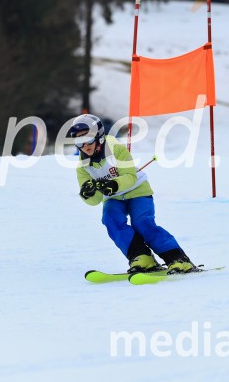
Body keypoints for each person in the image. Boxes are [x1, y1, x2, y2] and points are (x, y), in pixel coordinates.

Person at [67, 114, 197, 274]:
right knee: (110, 219)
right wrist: (88, 193)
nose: (85, 145)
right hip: (113, 198)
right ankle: (142, 257)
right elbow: (95, 200)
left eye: (88, 139)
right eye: (79, 142)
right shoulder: (83, 167)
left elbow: (130, 176)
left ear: (99, 135)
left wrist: (112, 184)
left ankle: (178, 258)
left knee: (142, 222)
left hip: (137, 190)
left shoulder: (116, 149)